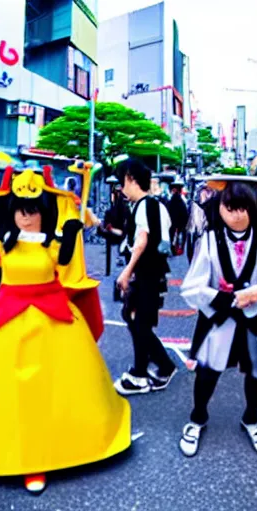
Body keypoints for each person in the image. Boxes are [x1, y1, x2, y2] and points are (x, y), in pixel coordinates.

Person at [0, 168, 131, 494]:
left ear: (42, 213)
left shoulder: (49, 242)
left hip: (53, 318)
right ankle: (11, 454)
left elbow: (64, 264)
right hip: (8, 320)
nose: (26, 217)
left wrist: (72, 230)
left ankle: (59, 450)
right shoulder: (3, 242)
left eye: (32, 211)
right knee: (7, 395)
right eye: (21, 210)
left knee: (57, 392)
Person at [179, 177, 257, 457]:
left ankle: (251, 418)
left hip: (254, 316)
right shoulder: (208, 241)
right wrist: (226, 298)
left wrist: (255, 292)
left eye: (244, 208)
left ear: (254, 208)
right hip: (219, 316)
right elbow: (192, 285)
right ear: (220, 208)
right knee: (208, 370)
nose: (237, 214)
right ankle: (197, 418)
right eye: (231, 207)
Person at [114, 158, 177, 395]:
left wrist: (126, 271)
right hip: (148, 273)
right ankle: (156, 366)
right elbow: (135, 239)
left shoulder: (147, 205)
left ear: (130, 178)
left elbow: (142, 241)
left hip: (148, 273)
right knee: (134, 319)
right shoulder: (145, 206)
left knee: (139, 321)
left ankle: (143, 373)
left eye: (122, 181)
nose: (120, 187)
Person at [167, 180, 189, 256]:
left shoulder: (171, 200)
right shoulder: (181, 200)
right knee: (177, 237)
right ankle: (176, 249)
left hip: (173, 223)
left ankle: (173, 249)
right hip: (179, 223)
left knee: (173, 237)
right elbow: (185, 213)